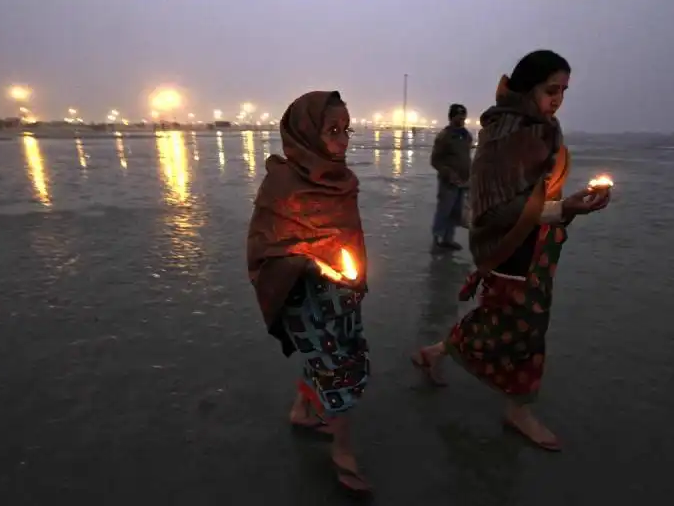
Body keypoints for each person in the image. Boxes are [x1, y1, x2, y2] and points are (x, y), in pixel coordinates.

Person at [411, 50, 610, 451]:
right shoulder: (506, 133)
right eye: (550, 89)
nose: (558, 99)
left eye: (564, 91)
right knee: (525, 330)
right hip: (509, 250)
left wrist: (570, 205)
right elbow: (495, 209)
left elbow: (537, 194)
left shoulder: (542, 128)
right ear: (527, 87)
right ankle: (518, 409)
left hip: (538, 244)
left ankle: (436, 352)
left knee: (499, 321)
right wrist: (561, 208)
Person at [246, 91, 372, 495]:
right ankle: (343, 449)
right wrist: (313, 261)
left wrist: (347, 272)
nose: (342, 139)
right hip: (303, 296)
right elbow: (268, 246)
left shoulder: (341, 180)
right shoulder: (282, 184)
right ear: (306, 133)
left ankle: (303, 409)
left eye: (346, 129)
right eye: (332, 130)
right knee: (337, 366)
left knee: (337, 351)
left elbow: (348, 236)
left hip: (342, 293)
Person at [430, 103, 473, 251]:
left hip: (463, 181)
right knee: (444, 211)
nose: (462, 120)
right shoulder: (445, 136)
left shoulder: (466, 135)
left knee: (456, 212)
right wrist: (448, 173)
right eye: (459, 117)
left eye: (463, 117)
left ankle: (448, 239)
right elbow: (435, 160)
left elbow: (466, 157)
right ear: (451, 117)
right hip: (448, 182)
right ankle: (437, 239)